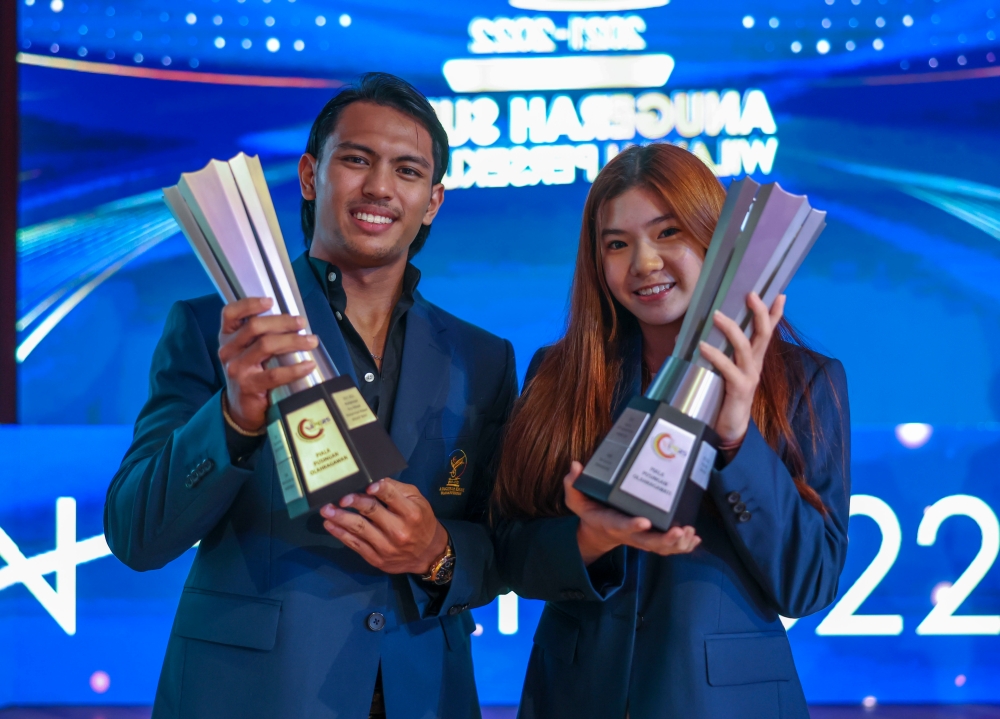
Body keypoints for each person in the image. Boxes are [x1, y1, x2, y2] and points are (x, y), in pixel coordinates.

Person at [104, 72, 516, 719]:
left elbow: (501, 546)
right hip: (251, 698)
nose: (380, 187)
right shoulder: (221, 328)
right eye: (356, 160)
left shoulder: (482, 359)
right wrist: (235, 418)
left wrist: (438, 551)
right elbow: (135, 534)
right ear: (308, 175)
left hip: (424, 695)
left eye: (407, 171)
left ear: (433, 200)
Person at [492, 143, 850, 719]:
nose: (644, 263)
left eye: (668, 233)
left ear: (716, 239)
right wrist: (594, 539)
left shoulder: (806, 382)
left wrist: (734, 437)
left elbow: (808, 583)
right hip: (575, 697)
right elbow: (507, 554)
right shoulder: (559, 374)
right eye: (617, 244)